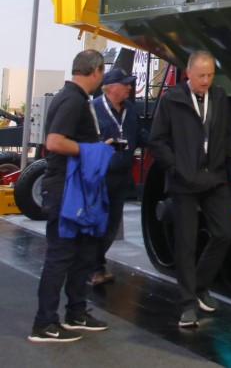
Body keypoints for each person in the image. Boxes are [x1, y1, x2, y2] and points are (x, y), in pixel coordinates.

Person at [149, 50, 231, 328]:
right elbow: (157, 141)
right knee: (186, 243)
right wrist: (176, 166)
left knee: (224, 232)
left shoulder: (219, 98)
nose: (206, 81)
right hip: (184, 181)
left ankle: (200, 286)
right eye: (201, 75)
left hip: (214, 178)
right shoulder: (172, 99)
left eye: (211, 75)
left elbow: (227, 137)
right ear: (188, 73)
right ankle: (188, 304)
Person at [30, 49, 112, 343]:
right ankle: (44, 323)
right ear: (97, 71)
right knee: (61, 255)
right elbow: (54, 142)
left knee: (83, 252)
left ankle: (76, 312)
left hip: (77, 189)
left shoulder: (76, 98)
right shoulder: (72, 100)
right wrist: (94, 150)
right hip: (66, 189)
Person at [90, 68, 146, 286]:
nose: (129, 87)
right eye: (125, 84)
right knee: (97, 222)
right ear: (110, 87)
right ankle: (93, 267)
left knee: (112, 224)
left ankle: (95, 264)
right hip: (100, 176)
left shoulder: (129, 109)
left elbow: (139, 134)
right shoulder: (94, 109)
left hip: (121, 176)